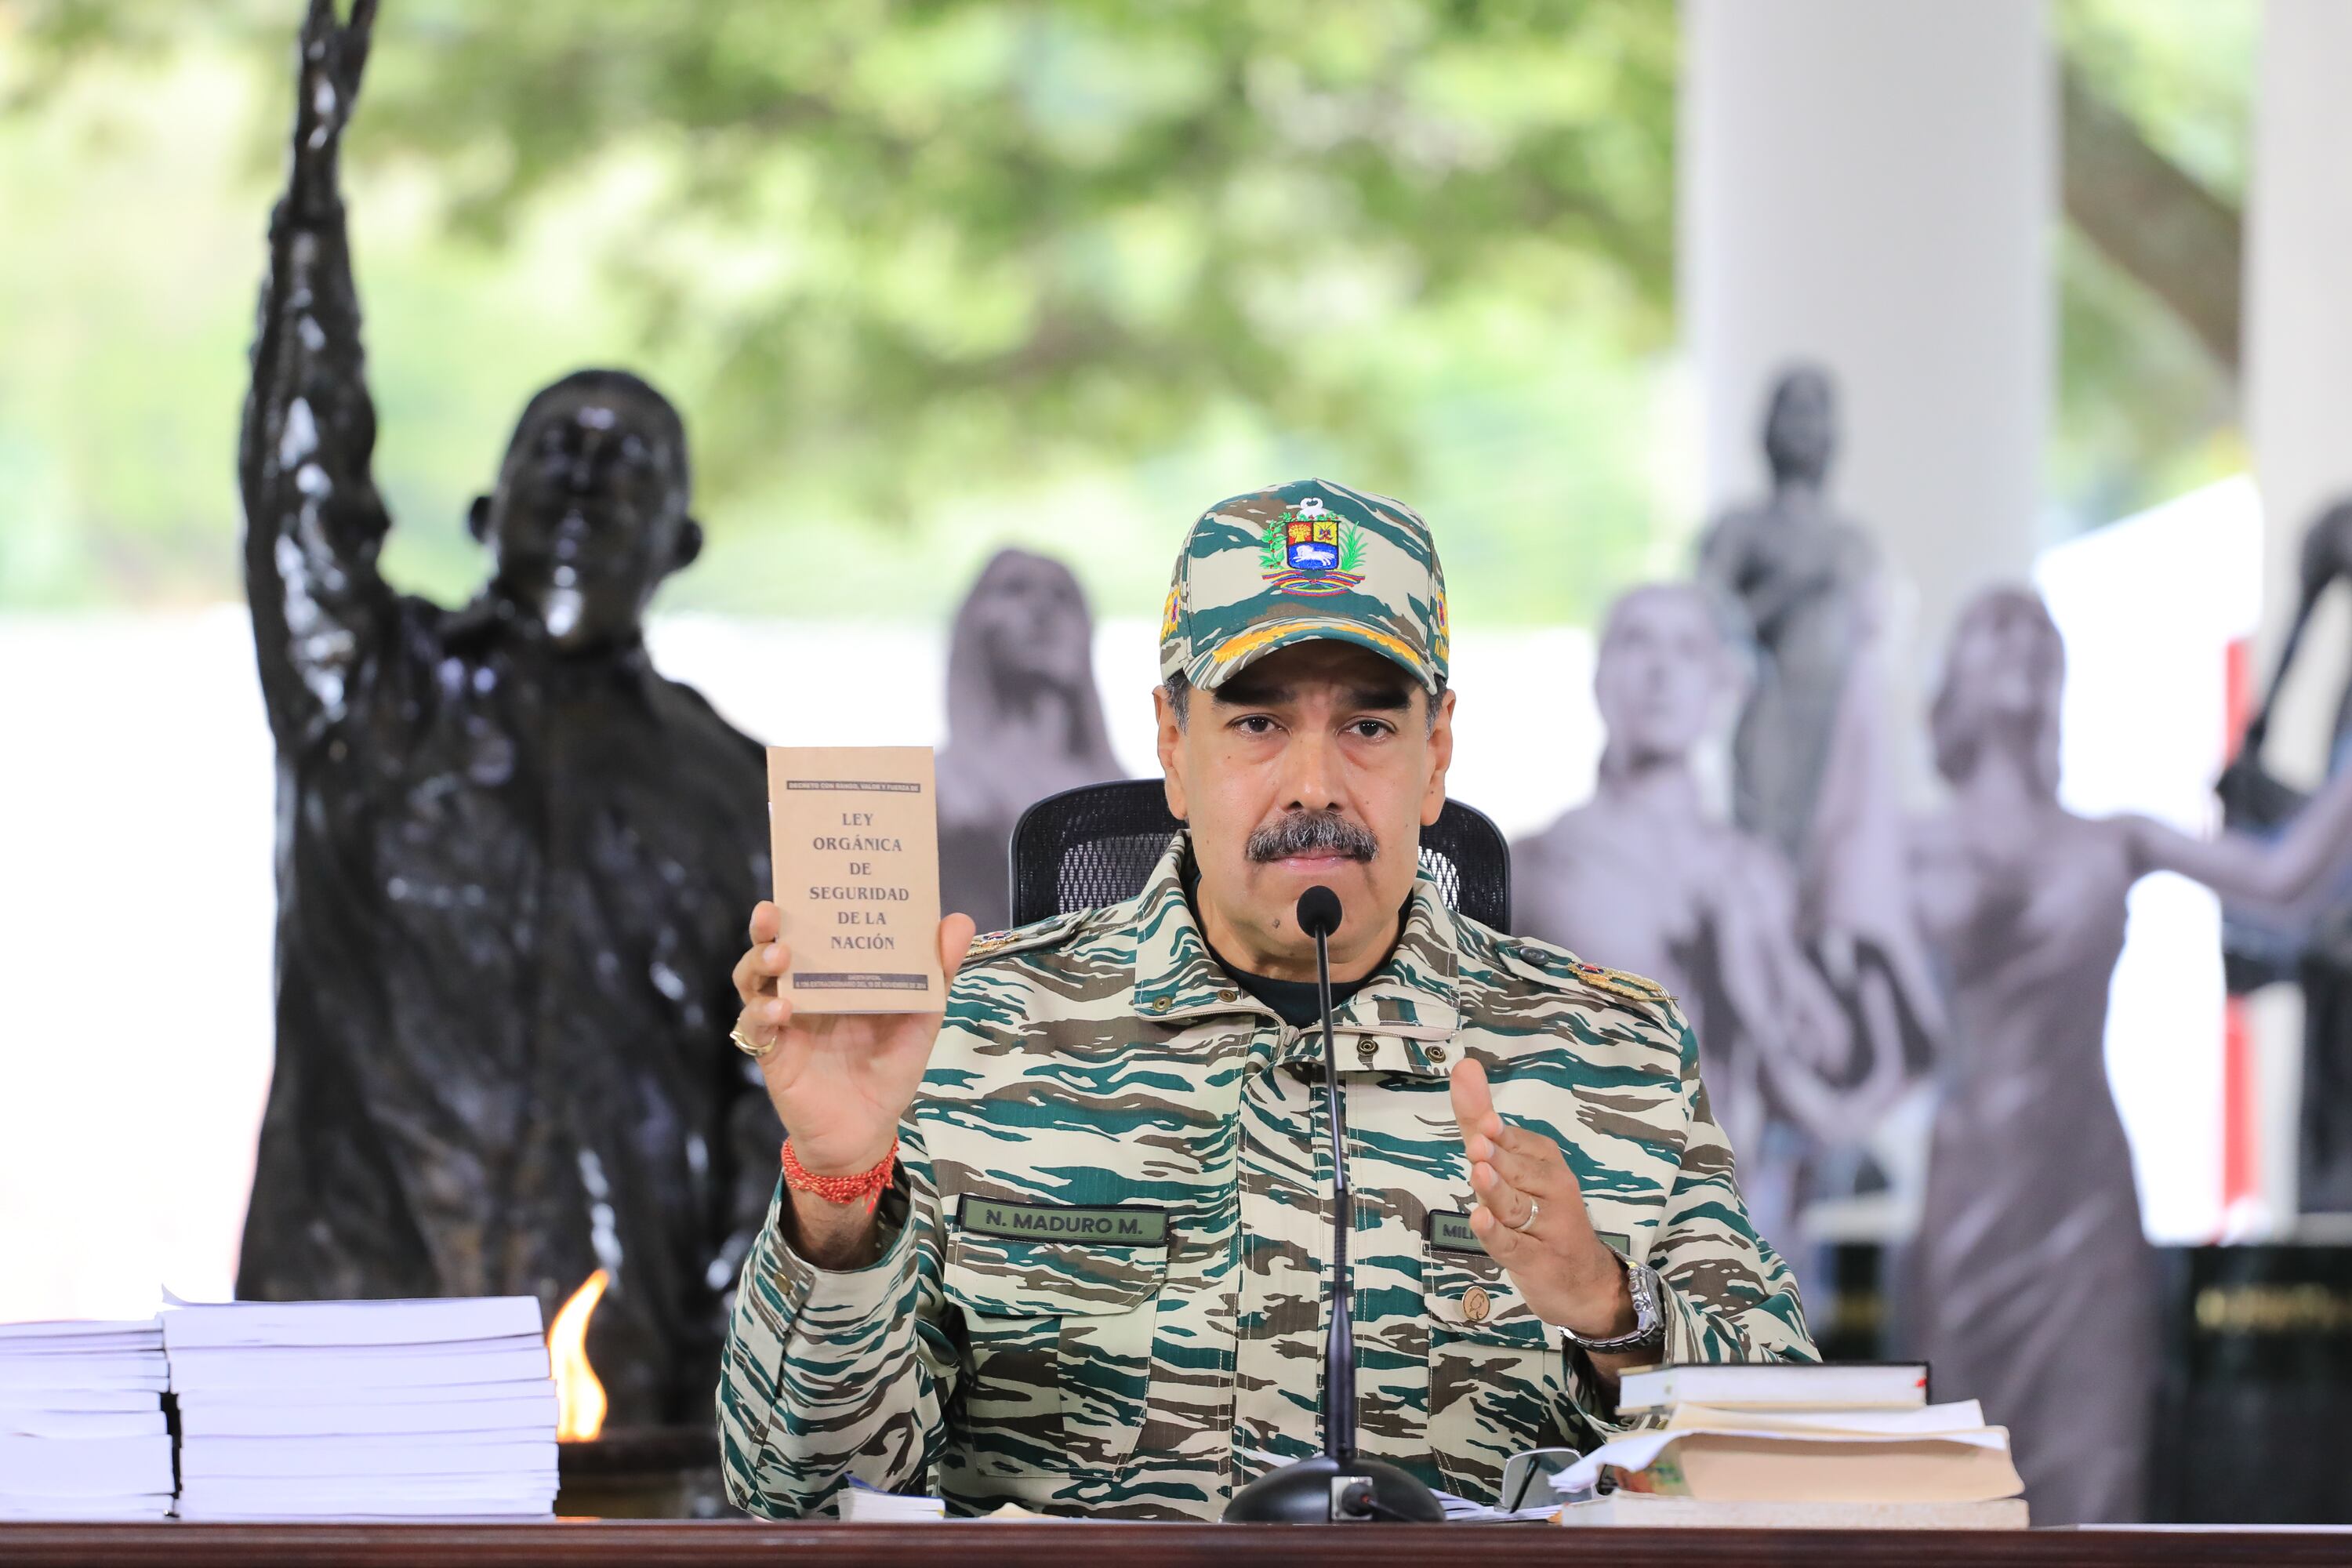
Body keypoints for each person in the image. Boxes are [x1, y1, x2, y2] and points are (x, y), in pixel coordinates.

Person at [715, 479, 1815, 1519]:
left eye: (1369, 728)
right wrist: (839, 1192)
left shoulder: (1611, 1051)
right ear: (1171, 747)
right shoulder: (965, 1034)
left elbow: (1796, 1472)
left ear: (1436, 756)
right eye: (1256, 724)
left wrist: (1616, 1315)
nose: (1315, 784)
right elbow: (799, 1499)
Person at [236, 0, 779, 1422]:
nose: (590, 482)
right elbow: (301, 476)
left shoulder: (743, 790)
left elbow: (771, 1119)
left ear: (682, 543)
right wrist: (312, 195)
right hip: (342, 1351)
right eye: (557, 451)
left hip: (632, 1392)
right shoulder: (366, 694)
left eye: (629, 463)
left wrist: (744, 1403)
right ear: (487, 512)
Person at [1911, 586, 2352, 1525]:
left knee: (2100, 1471)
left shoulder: (2114, 838)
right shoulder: (1908, 846)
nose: (2026, 646)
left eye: (2043, 635)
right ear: (1956, 681)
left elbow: (2285, 883)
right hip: (1971, 1202)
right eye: (1998, 632)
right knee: (1954, 1490)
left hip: (2089, 1199)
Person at [1514, 584, 1922, 1258]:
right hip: (1577, 1246)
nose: (1662, 671)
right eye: (1638, 643)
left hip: (1730, 1242)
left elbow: (1816, 1070)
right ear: (1600, 676)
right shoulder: (1533, 869)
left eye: (1688, 650)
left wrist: (1752, 972)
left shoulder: (1754, 876)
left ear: (1721, 686)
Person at [1698, 365, 1881, 867]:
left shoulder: (1853, 539)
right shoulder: (1741, 529)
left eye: (1817, 412)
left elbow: (1877, 638)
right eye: (1793, 411)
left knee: (1831, 850)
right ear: (1768, 427)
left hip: (1837, 713)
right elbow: (1710, 624)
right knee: (1767, 848)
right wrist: (1796, 583)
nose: (1805, 428)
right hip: (1770, 709)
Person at [935, 548, 1125, 932]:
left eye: (1062, 597)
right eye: (1013, 589)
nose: (1042, 609)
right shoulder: (940, 787)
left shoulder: (1128, 791)